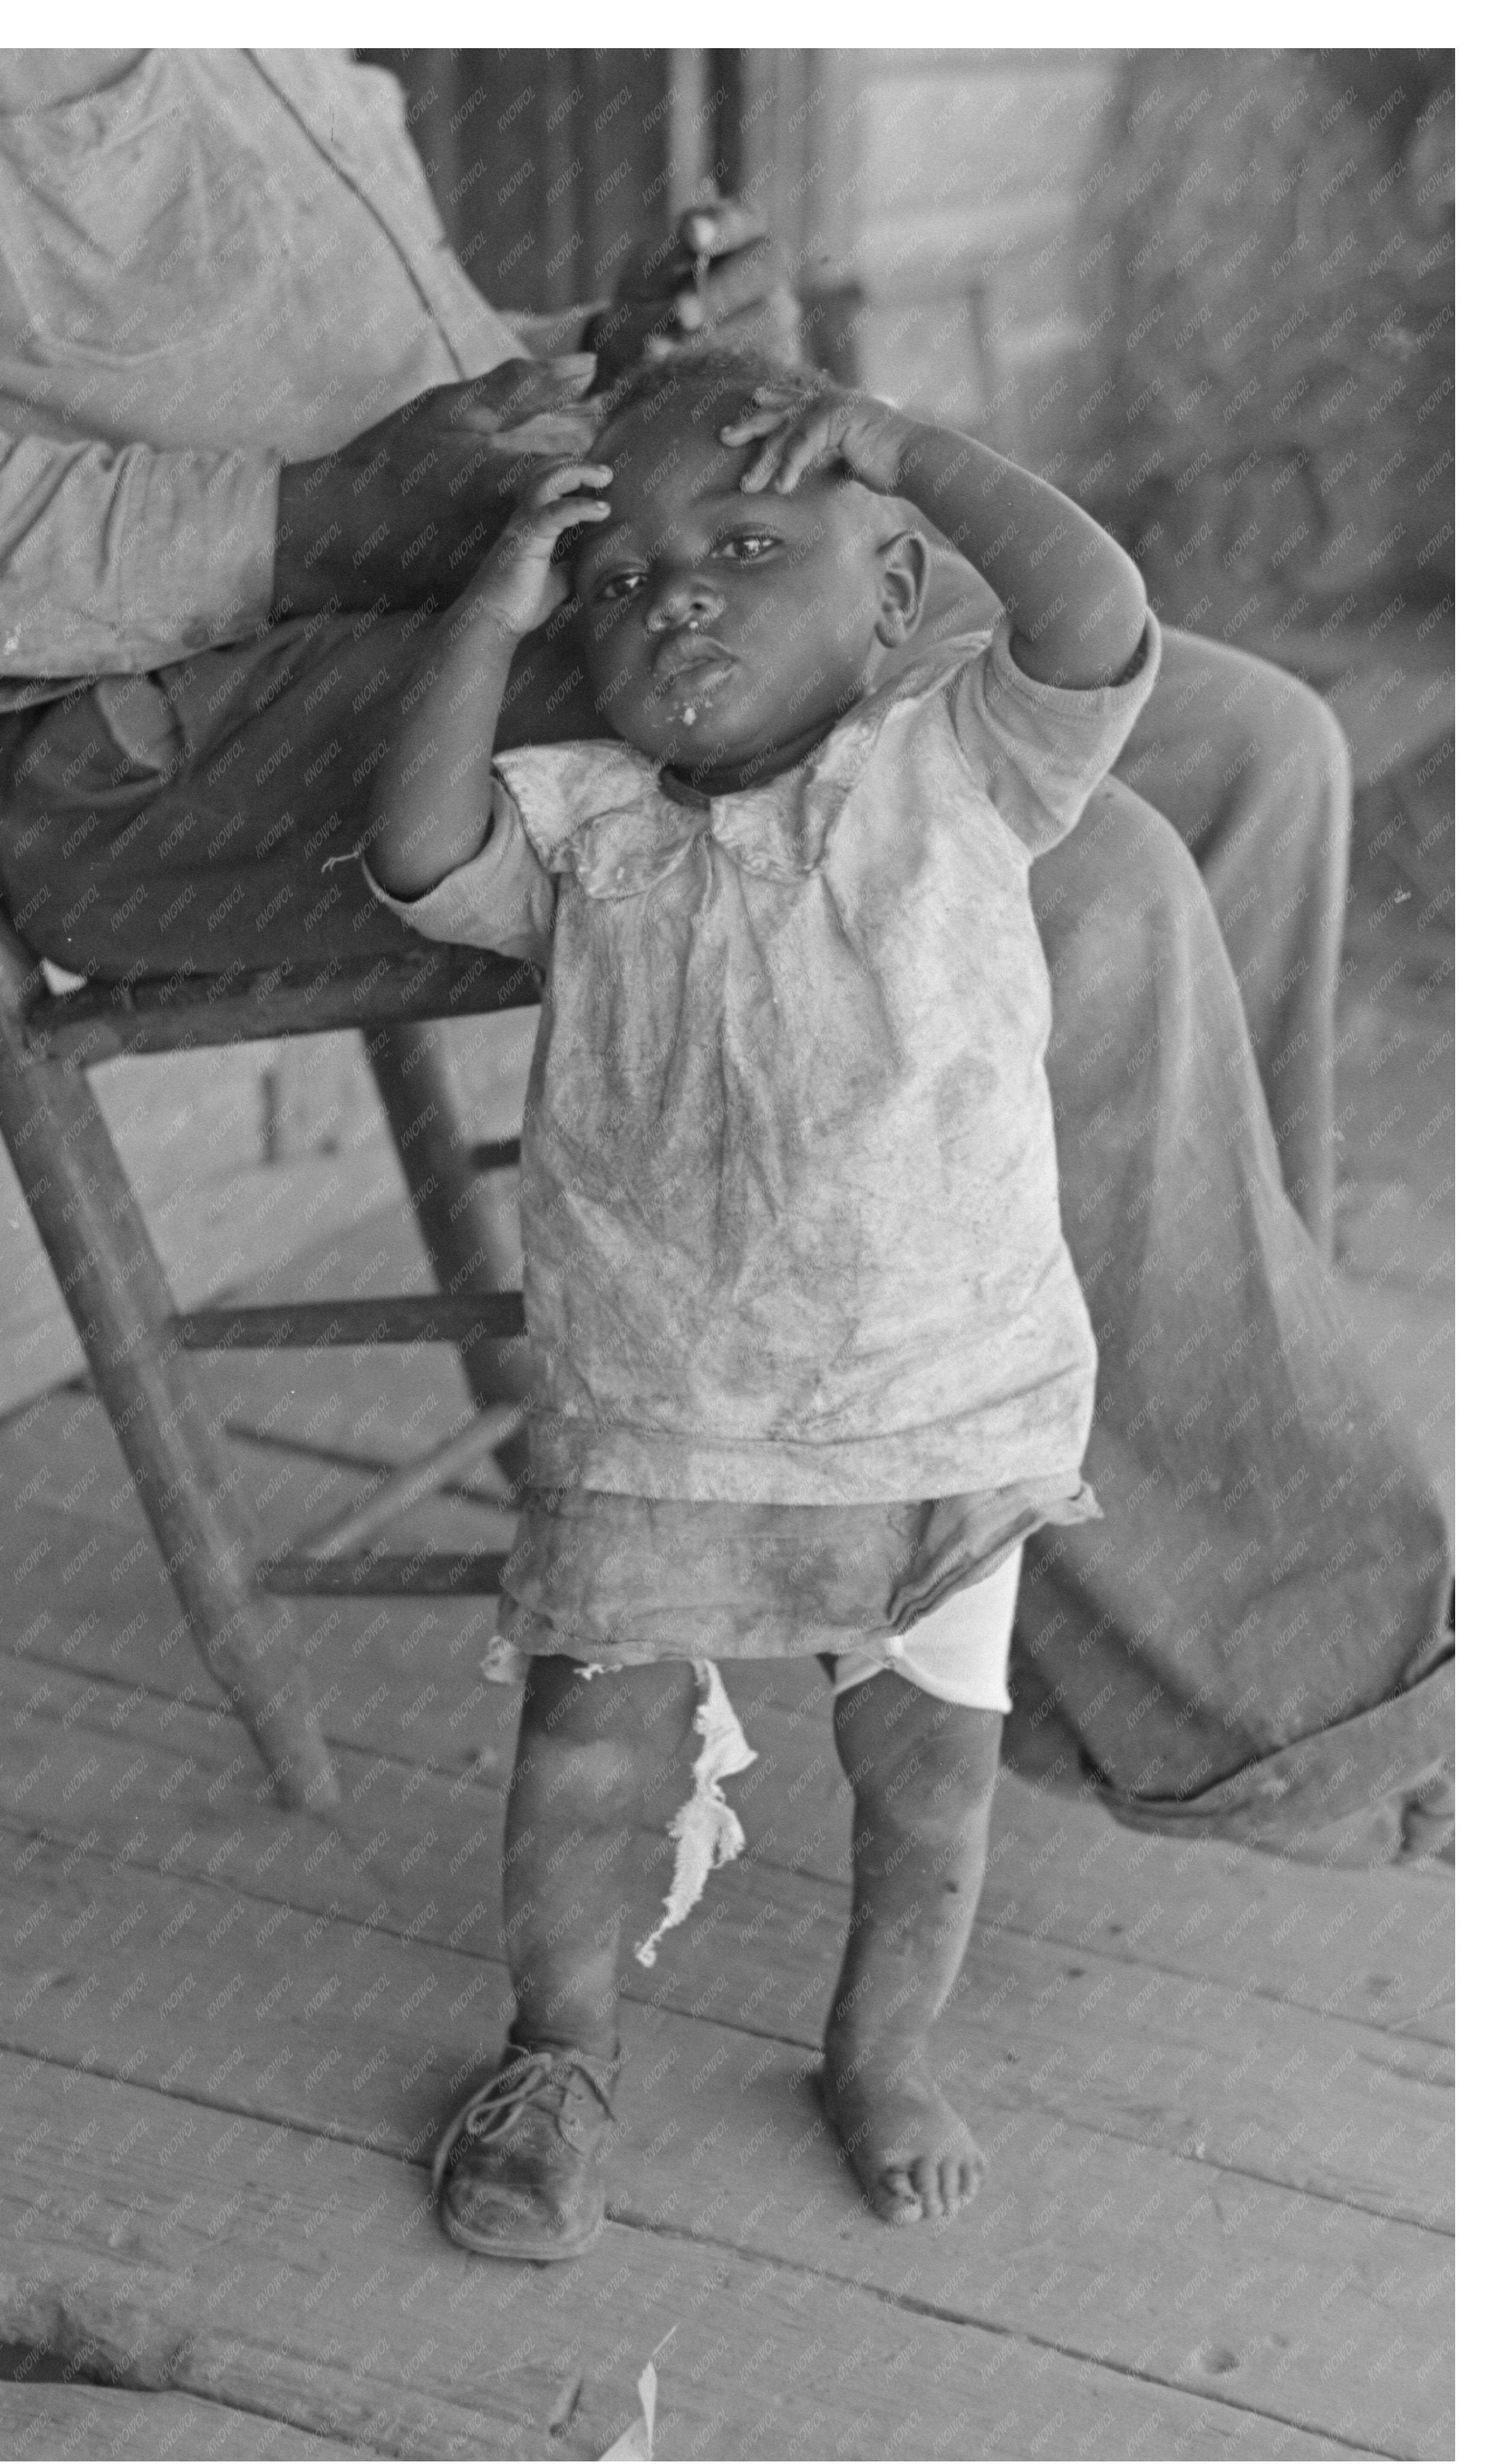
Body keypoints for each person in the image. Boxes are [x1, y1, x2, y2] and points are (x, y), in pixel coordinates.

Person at [0, 50, 1451, 1872]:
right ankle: (1287, 1691)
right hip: (166, 722)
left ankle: (1127, 1601)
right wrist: (312, 517)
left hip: (438, 576)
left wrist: (603, 350)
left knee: (1246, 748)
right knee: (1070, 881)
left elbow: (334, 361)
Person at [362, 350, 1164, 2249]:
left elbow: (1096, 615)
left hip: (940, 1404)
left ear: (890, 596)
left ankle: (877, 2048)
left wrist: (906, 453)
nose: (678, 594)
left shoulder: (964, 761)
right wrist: (492, 611)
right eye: (622, 580)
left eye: (741, 540)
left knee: (926, 1781)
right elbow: (410, 847)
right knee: (582, 1752)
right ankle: (555, 2055)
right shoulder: (580, 825)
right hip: (661, 1416)